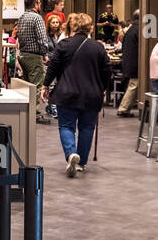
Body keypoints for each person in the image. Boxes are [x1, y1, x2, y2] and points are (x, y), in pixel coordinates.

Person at [44, 13, 112, 178]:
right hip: (92, 94)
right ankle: (81, 163)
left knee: (66, 126)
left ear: (72, 27)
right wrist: (102, 88)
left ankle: (71, 154)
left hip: (67, 93)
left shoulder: (63, 45)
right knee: (87, 128)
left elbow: (53, 67)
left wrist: (45, 85)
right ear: (90, 28)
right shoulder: (98, 47)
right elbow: (107, 72)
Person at [16, 0, 54, 124]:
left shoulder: (22, 17)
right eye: (39, 3)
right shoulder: (37, 18)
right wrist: (45, 53)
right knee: (37, 85)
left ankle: (28, 111)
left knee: (27, 86)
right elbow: (42, 39)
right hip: (34, 56)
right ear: (36, 5)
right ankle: (35, 114)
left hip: (23, 55)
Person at [116, 10, 142, 116]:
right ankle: (123, 108)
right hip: (135, 62)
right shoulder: (139, 29)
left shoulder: (131, 29)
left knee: (133, 85)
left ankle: (124, 108)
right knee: (134, 85)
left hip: (129, 62)